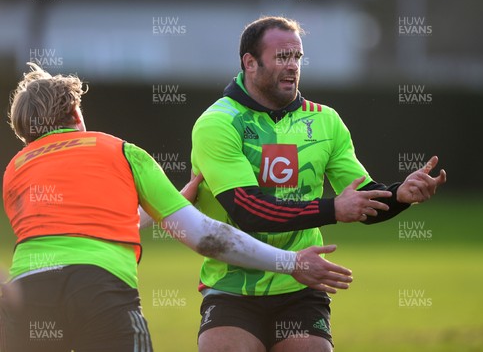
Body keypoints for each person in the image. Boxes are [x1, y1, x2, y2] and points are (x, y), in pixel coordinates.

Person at [0, 62, 353, 352]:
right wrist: (290, 261)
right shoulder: (120, 151)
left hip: (27, 295)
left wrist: (169, 202)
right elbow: (204, 237)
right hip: (100, 289)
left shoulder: (15, 170)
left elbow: (90, 224)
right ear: (76, 112)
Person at [191, 16, 447, 352]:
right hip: (233, 284)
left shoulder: (325, 121)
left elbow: (363, 198)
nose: (293, 66)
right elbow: (249, 211)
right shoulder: (219, 123)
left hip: (302, 285)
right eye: (282, 57)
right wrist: (333, 209)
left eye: (297, 57)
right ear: (249, 63)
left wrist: (400, 194)